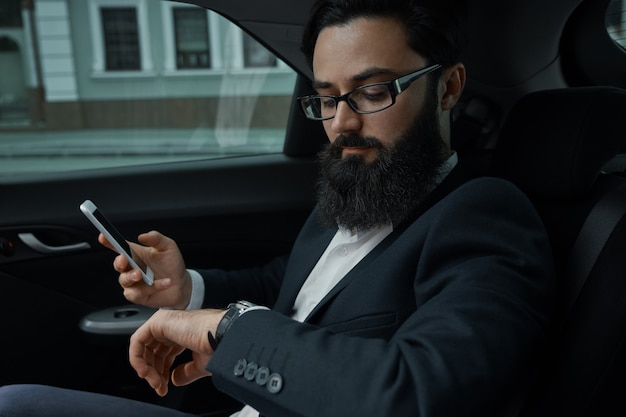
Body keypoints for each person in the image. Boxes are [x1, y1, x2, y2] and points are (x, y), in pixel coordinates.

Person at [0, 0, 554, 416]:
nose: (341, 123)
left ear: (449, 88)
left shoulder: (484, 215)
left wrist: (227, 330)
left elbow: (419, 392)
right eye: (328, 97)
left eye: (372, 91)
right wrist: (187, 291)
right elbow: (282, 288)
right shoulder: (358, 191)